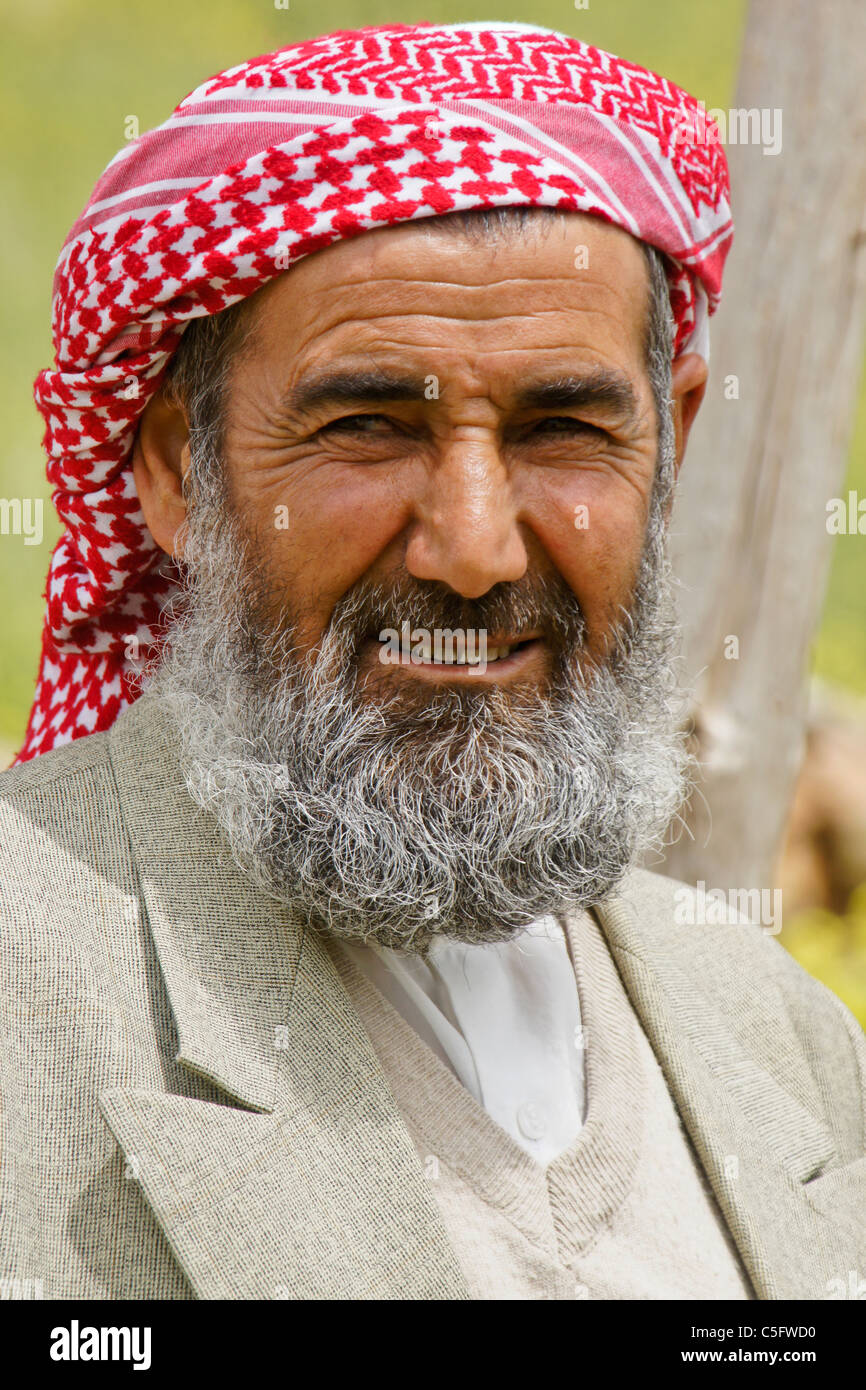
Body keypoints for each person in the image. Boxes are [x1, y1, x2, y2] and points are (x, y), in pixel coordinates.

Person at [1, 21, 863, 1301]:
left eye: (561, 426)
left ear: (670, 452)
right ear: (178, 469)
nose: (471, 547)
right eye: (368, 426)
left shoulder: (783, 1041)